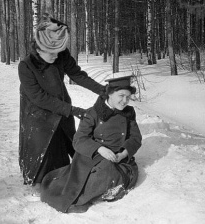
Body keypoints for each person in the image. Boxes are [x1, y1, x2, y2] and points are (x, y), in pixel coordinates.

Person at [18, 13, 105, 189]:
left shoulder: (61, 54)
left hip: (62, 107)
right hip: (37, 114)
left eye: (58, 53)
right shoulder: (26, 66)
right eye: (51, 54)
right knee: (43, 149)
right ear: (39, 49)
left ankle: (66, 176)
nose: (56, 57)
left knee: (67, 141)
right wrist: (75, 110)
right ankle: (39, 182)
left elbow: (78, 75)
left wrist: (104, 91)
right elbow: (39, 97)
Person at [40, 75, 142, 213]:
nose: (125, 101)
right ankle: (74, 200)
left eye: (128, 97)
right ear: (110, 93)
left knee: (113, 172)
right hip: (92, 156)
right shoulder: (94, 113)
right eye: (121, 95)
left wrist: (124, 153)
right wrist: (100, 149)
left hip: (118, 157)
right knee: (91, 175)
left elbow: (136, 138)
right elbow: (79, 140)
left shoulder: (128, 113)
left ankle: (90, 195)